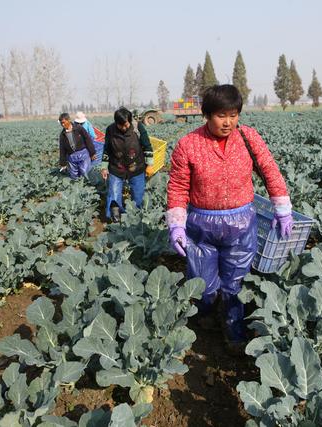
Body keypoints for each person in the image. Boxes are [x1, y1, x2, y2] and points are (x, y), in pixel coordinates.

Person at [166, 84, 294, 351]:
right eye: (221, 115)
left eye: (233, 115)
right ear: (207, 115)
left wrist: (282, 206)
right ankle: (205, 315)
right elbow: (178, 187)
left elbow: (269, 170)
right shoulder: (188, 145)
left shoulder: (248, 137)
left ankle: (234, 329)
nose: (228, 122)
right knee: (204, 282)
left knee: (236, 282)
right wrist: (177, 225)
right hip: (202, 224)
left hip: (241, 222)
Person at [101, 107, 154, 222]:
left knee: (138, 198)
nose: (125, 128)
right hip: (116, 168)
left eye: (126, 124)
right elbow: (107, 149)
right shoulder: (110, 130)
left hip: (136, 167)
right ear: (116, 123)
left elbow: (147, 146)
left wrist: (149, 164)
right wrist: (104, 167)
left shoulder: (137, 127)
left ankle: (136, 220)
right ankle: (117, 220)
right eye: (122, 126)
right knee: (114, 196)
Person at [58, 113, 97, 179]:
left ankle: (89, 186)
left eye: (64, 122)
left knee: (85, 172)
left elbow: (88, 140)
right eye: (61, 123)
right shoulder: (62, 135)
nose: (63, 125)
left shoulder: (79, 128)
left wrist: (92, 153)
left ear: (69, 120)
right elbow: (62, 149)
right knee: (74, 176)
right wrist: (63, 163)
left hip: (83, 153)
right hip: (71, 156)